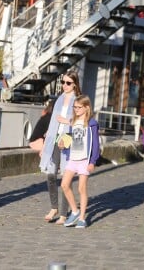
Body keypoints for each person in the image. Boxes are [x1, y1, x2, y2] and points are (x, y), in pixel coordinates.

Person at [39, 70, 82, 225]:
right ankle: (53, 207)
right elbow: (52, 123)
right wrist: (46, 142)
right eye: (63, 82)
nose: (65, 86)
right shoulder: (59, 100)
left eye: (68, 83)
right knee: (50, 174)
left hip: (68, 140)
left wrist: (65, 121)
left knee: (65, 177)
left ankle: (64, 213)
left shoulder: (78, 100)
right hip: (54, 140)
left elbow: (80, 121)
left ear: (75, 84)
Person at [60, 95, 100, 228]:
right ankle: (75, 211)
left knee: (81, 188)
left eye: (79, 107)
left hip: (84, 160)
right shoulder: (73, 121)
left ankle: (82, 218)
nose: (76, 109)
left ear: (86, 107)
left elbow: (95, 144)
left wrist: (92, 161)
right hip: (72, 158)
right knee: (64, 185)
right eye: (75, 107)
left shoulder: (91, 123)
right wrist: (63, 144)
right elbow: (71, 138)